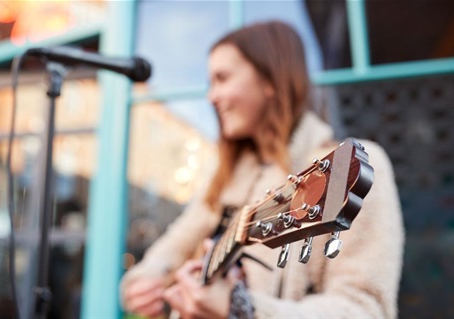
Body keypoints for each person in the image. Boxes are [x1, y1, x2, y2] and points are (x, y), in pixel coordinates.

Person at [120, 20, 404, 319]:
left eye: (223, 78)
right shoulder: (227, 177)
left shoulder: (350, 169)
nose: (212, 96)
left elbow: (366, 310)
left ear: (270, 80)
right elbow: (173, 245)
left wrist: (245, 310)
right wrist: (144, 283)